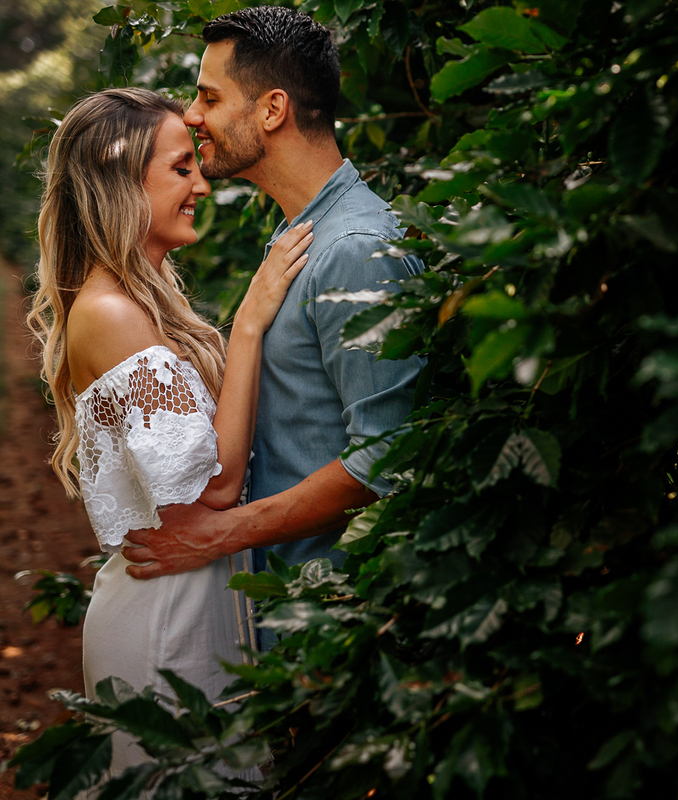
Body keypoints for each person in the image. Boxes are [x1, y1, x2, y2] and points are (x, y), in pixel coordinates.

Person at [27, 87, 314, 775]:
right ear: (121, 178)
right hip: (167, 622)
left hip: (199, 602)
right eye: (181, 168)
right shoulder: (111, 313)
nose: (200, 187)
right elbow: (211, 488)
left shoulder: (146, 300)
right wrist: (249, 324)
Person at [120, 6, 424, 648]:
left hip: (339, 625)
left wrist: (225, 533)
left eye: (209, 96)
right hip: (286, 616)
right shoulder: (299, 230)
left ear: (272, 109)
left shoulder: (355, 249)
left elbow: (389, 452)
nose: (193, 115)